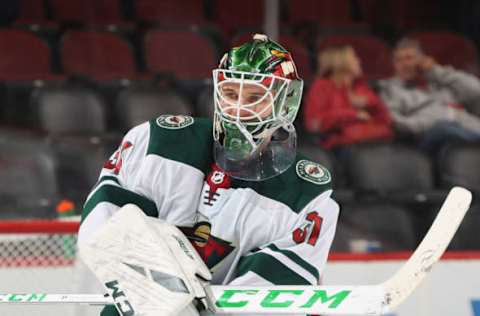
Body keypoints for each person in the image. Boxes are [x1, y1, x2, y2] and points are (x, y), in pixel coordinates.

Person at [78, 34, 339, 316]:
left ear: (285, 103)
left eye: (255, 97)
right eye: (230, 93)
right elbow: (106, 223)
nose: (238, 108)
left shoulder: (307, 197)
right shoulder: (158, 142)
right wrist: (164, 296)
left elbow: (269, 294)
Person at [378, 38, 480, 154]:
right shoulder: (390, 89)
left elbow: (476, 90)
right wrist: (441, 117)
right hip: (427, 137)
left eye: (409, 58)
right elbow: (396, 123)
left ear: (422, 60)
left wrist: (435, 70)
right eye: (399, 60)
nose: (405, 64)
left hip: (464, 129)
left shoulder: (440, 81)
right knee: (444, 128)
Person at [304, 45, 393, 150]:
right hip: (340, 148)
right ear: (341, 62)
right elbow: (314, 123)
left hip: (373, 141)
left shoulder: (360, 87)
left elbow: (386, 120)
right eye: (355, 58)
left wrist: (370, 103)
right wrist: (354, 115)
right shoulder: (321, 86)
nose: (359, 61)